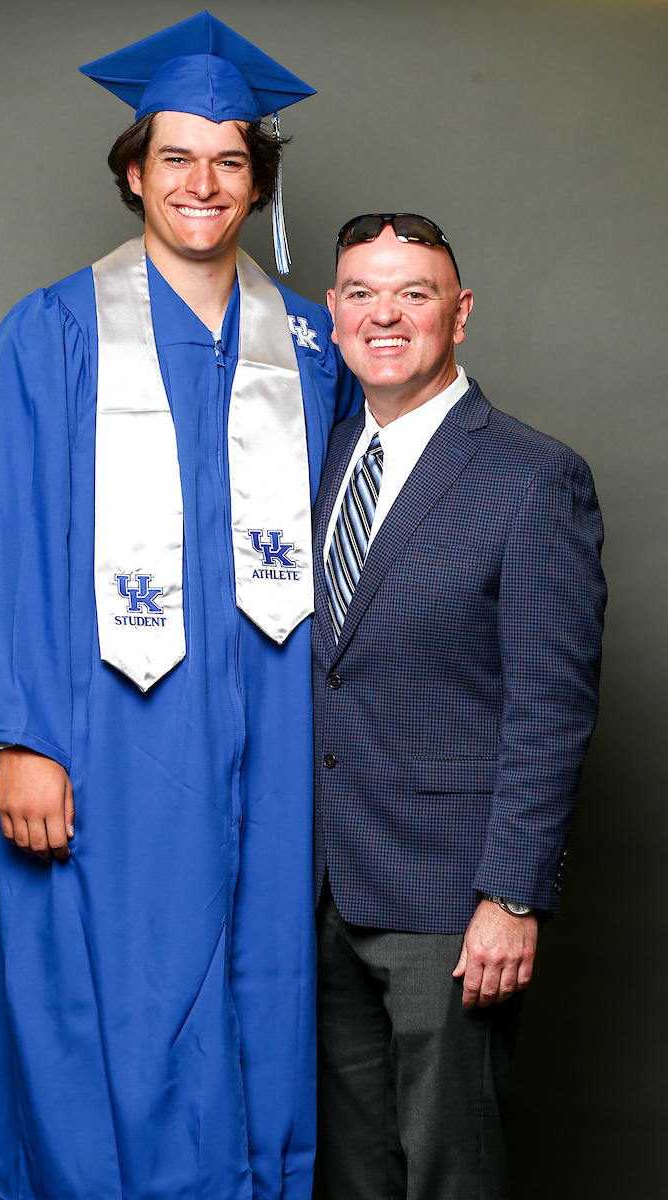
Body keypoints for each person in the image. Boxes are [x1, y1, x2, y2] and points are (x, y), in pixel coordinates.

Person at [0, 13, 360, 1200]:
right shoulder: (49, 334)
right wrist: (19, 739)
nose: (200, 183)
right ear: (132, 173)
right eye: (174, 158)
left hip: (272, 742)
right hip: (101, 737)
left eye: (229, 160)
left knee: (259, 983)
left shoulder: (309, 345)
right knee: (115, 989)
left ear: (257, 185)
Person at [311, 213, 606, 1199]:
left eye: (413, 293)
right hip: (314, 893)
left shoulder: (531, 478)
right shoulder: (313, 457)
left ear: (459, 313)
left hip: (449, 906)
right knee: (349, 1173)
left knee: (447, 1170)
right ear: (332, 311)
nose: (382, 315)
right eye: (359, 293)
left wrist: (510, 897)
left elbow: (548, 707)